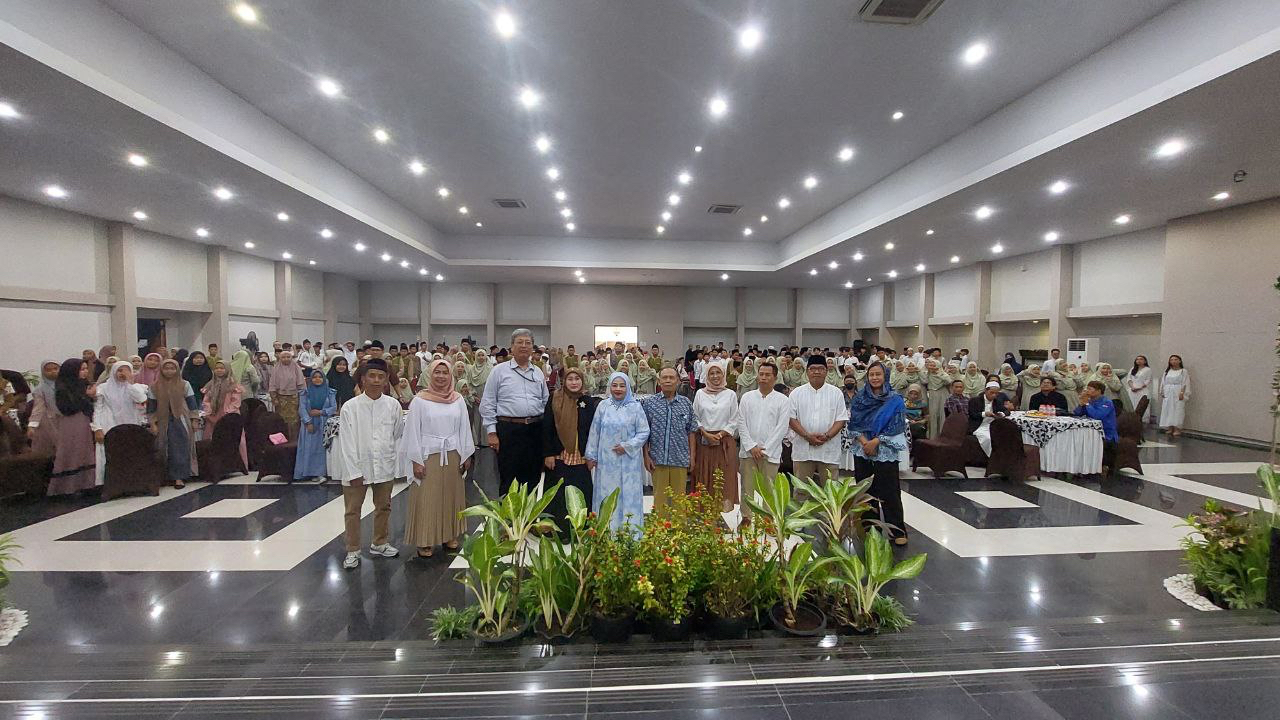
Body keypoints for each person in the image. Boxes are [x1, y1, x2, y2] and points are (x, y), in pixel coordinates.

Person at [400, 358, 474, 559]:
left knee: (451, 496)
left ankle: (449, 535)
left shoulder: (457, 399)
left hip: (453, 453)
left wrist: (466, 454)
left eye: (445, 373)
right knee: (427, 498)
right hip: (428, 455)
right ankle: (425, 539)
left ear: (451, 376)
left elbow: (464, 428)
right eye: (437, 372)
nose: (441, 377)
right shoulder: (420, 400)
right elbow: (412, 431)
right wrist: (416, 460)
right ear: (429, 375)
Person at [336, 358, 403, 569]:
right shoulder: (350, 407)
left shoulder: (393, 405)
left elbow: (397, 433)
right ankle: (353, 549)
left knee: (384, 506)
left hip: (384, 464)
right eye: (371, 376)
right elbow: (345, 442)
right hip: (357, 467)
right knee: (353, 510)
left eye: (381, 377)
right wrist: (353, 471)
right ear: (363, 379)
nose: (376, 380)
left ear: (386, 381)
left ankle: (380, 542)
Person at [848, 363, 909, 545]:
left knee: (889, 491)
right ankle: (869, 529)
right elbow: (854, 424)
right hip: (863, 449)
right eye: (871, 375)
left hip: (885, 449)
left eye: (878, 374)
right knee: (865, 490)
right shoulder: (860, 399)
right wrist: (865, 442)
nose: (874, 378)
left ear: (885, 376)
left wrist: (877, 441)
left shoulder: (895, 399)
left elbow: (897, 425)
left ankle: (896, 531)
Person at [480, 328, 549, 489]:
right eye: (519, 342)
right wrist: (491, 432)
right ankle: (509, 515)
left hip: (534, 430)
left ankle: (529, 515)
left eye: (528, 343)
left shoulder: (538, 372)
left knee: (532, 479)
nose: (524, 346)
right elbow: (488, 402)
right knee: (508, 479)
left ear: (533, 348)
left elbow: (545, 401)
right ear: (511, 347)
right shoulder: (499, 371)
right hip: (508, 430)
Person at [585, 372, 650, 531]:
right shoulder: (603, 406)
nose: (618, 389)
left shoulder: (635, 407)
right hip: (606, 463)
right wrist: (590, 455)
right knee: (607, 495)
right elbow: (595, 431)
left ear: (628, 387)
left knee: (627, 495)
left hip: (629, 464)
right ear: (610, 387)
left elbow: (644, 432)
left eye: (622, 385)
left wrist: (627, 446)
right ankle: (606, 531)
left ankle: (629, 533)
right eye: (615, 385)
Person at [541, 367, 599, 530]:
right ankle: (560, 529)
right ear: (564, 381)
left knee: (581, 490)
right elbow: (547, 428)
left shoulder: (587, 402)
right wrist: (548, 454)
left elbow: (593, 431)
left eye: (577, 379)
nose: (574, 382)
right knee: (559, 492)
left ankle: (581, 528)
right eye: (570, 379)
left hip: (580, 455)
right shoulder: (555, 399)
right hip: (559, 454)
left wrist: (591, 455)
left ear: (582, 381)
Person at [737, 361, 789, 526]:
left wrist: (764, 449)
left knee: (769, 488)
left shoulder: (782, 400)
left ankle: (768, 520)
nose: (763, 378)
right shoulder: (747, 397)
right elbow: (741, 423)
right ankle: (746, 517)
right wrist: (751, 446)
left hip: (770, 453)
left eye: (767, 375)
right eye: (761, 374)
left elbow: (782, 427)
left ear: (775, 378)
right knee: (747, 486)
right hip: (748, 452)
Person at [641, 366, 698, 516]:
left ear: (678, 381)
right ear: (659, 381)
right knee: (660, 499)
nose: (667, 380)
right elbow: (644, 432)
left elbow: (691, 431)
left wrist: (692, 456)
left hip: (680, 458)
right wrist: (646, 456)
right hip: (657, 458)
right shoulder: (649, 403)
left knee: (679, 500)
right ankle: (661, 531)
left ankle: (678, 533)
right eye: (664, 377)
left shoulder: (686, 403)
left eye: (671, 378)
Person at [788, 355, 849, 485]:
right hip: (803, 450)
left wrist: (826, 436)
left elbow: (841, 419)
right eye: (813, 368)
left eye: (820, 368)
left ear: (826, 371)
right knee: (801, 491)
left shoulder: (836, 393)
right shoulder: (796, 393)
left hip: (829, 450)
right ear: (807, 371)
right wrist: (807, 436)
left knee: (831, 492)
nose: (816, 372)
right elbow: (791, 418)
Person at [91, 360, 150, 485]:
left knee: (130, 452)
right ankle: (110, 483)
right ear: (113, 372)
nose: (122, 374)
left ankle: (131, 482)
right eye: (119, 370)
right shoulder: (103, 388)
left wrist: (130, 382)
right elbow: (98, 409)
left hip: (130, 423)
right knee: (110, 454)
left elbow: (141, 399)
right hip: (109, 423)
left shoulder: (134, 387)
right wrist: (97, 428)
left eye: (126, 370)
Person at [692, 360, 740, 510]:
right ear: (706, 375)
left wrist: (719, 435)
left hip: (724, 442)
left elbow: (735, 419)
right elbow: (694, 417)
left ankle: (721, 509)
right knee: (704, 474)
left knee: (724, 476)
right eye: (711, 373)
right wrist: (705, 434)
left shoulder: (730, 394)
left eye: (718, 372)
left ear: (723, 374)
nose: (715, 376)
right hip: (704, 441)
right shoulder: (700, 394)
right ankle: (705, 509)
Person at [47, 359, 98, 497]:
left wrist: (91, 397)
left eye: (86, 368)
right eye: (82, 369)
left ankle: (86, 484)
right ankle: (68, 486)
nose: (85, 372)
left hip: (84, 421)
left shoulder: (84, 384)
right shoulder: (63, 386)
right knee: (72, 450)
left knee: (85, 450)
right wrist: (86, 397)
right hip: (71, 422)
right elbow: (66, 407)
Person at [149, 359, 198, 488]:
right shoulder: (154, 386)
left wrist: (194, 420)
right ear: (161, 370)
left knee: (180, 448)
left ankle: (179, 477)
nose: (169, 371)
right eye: (166, 368)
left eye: (172, 368)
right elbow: (151, 407)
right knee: (165, 448)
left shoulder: (184, 384)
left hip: (181, 419)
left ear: (177, 369)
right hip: (163, 421)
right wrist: (153, 423)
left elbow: (192, 403)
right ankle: (166, 476)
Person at [293, 369, 336, 481]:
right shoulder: (305, 393)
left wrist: (321, 412)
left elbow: (333, 407)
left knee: (321, 449)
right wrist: (308, 422)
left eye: (320, 377)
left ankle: (320, 473)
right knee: (309, 447)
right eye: (314, 377)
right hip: (309, 425)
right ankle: (307, 472)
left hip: (324, 424)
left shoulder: (330, 392)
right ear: (310, 379)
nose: (317, 379)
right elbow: (302, 408)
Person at [1075, 381, 1119, 460]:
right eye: (1086, 389)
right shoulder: (1090, 400)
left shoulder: (1107, 402)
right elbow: (1077, 414)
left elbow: (1097, 416)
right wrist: (1081, 404)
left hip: (1106, 434)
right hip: (1089, 432)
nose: (1087, 391)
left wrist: (1087, 404)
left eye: (1090, 389)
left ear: (1099, 391)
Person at [268, 350, 306, 440]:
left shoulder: (296, 368)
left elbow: (302, 385)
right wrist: (274, 399)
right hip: (280, 399)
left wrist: (303, 399)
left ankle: (295, 440)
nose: (286, 359)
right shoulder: (276, 369)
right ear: (280, 358)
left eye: (288, 357)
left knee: (294, 420)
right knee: (282, 420)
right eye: (283, 357)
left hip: (294, 398)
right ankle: (283, 439)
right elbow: (272, 385)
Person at [26, 360, 62, 455]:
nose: (53, 372)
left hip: (67, 419)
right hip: (49, 422)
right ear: (43, 372)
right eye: (48, 370)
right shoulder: (40, 390)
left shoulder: (68, 386)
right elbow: (38, 408)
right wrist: (32, 426)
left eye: (55, 368)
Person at [968, 381, 1013, 457]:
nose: (994, 395)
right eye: (992, 393)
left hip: (993, 425)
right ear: (985, 391)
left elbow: (1007, 411)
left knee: (1005, 436)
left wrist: (1001, 414)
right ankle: (993, 457)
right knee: (988, 438)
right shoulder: (975, 400)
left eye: (996, 393)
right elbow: (972, 414)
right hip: (979, 426)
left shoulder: (997, 401)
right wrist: (984, 414)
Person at [1159, 355, 1190, 436]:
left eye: (1176, 359)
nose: (1173, 361)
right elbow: (1163, 382)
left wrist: (1182, 392)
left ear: (1180, 361)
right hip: (1168, 391)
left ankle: (1177, 428)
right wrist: (1162, 391)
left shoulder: (1183, 371)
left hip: (1178, 391)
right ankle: (1170, 427)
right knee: (1168, 408)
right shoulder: (1167, 371)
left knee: (1178, 409)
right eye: (1172, 360)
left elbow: (1185, 383)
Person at [922, 358, 951, 438]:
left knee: (942, 414)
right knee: (933, 414)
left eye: (934, 365)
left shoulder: (942, 373)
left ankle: (942, 435)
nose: (932, 367)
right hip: (932, 395)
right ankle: (933, 436)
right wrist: (928, 372)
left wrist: (937, 373)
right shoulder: (928, 374)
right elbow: (924, 381)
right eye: (930, 365)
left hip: (942, 394)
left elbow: (948, 381)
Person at [1127, 355, 1154, 422]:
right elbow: (1129, 379)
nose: (1139, 360)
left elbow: (1148, 380)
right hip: (1132, 390)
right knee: (1132, 405)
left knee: (1142, 406)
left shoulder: (1148, 369)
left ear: (1145, 361)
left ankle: (1142, 422)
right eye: (1137, 359)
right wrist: (1132, 387)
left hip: (1142, 391)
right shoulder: (1133, 369)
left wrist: (1139, 388)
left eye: (1141, 359)